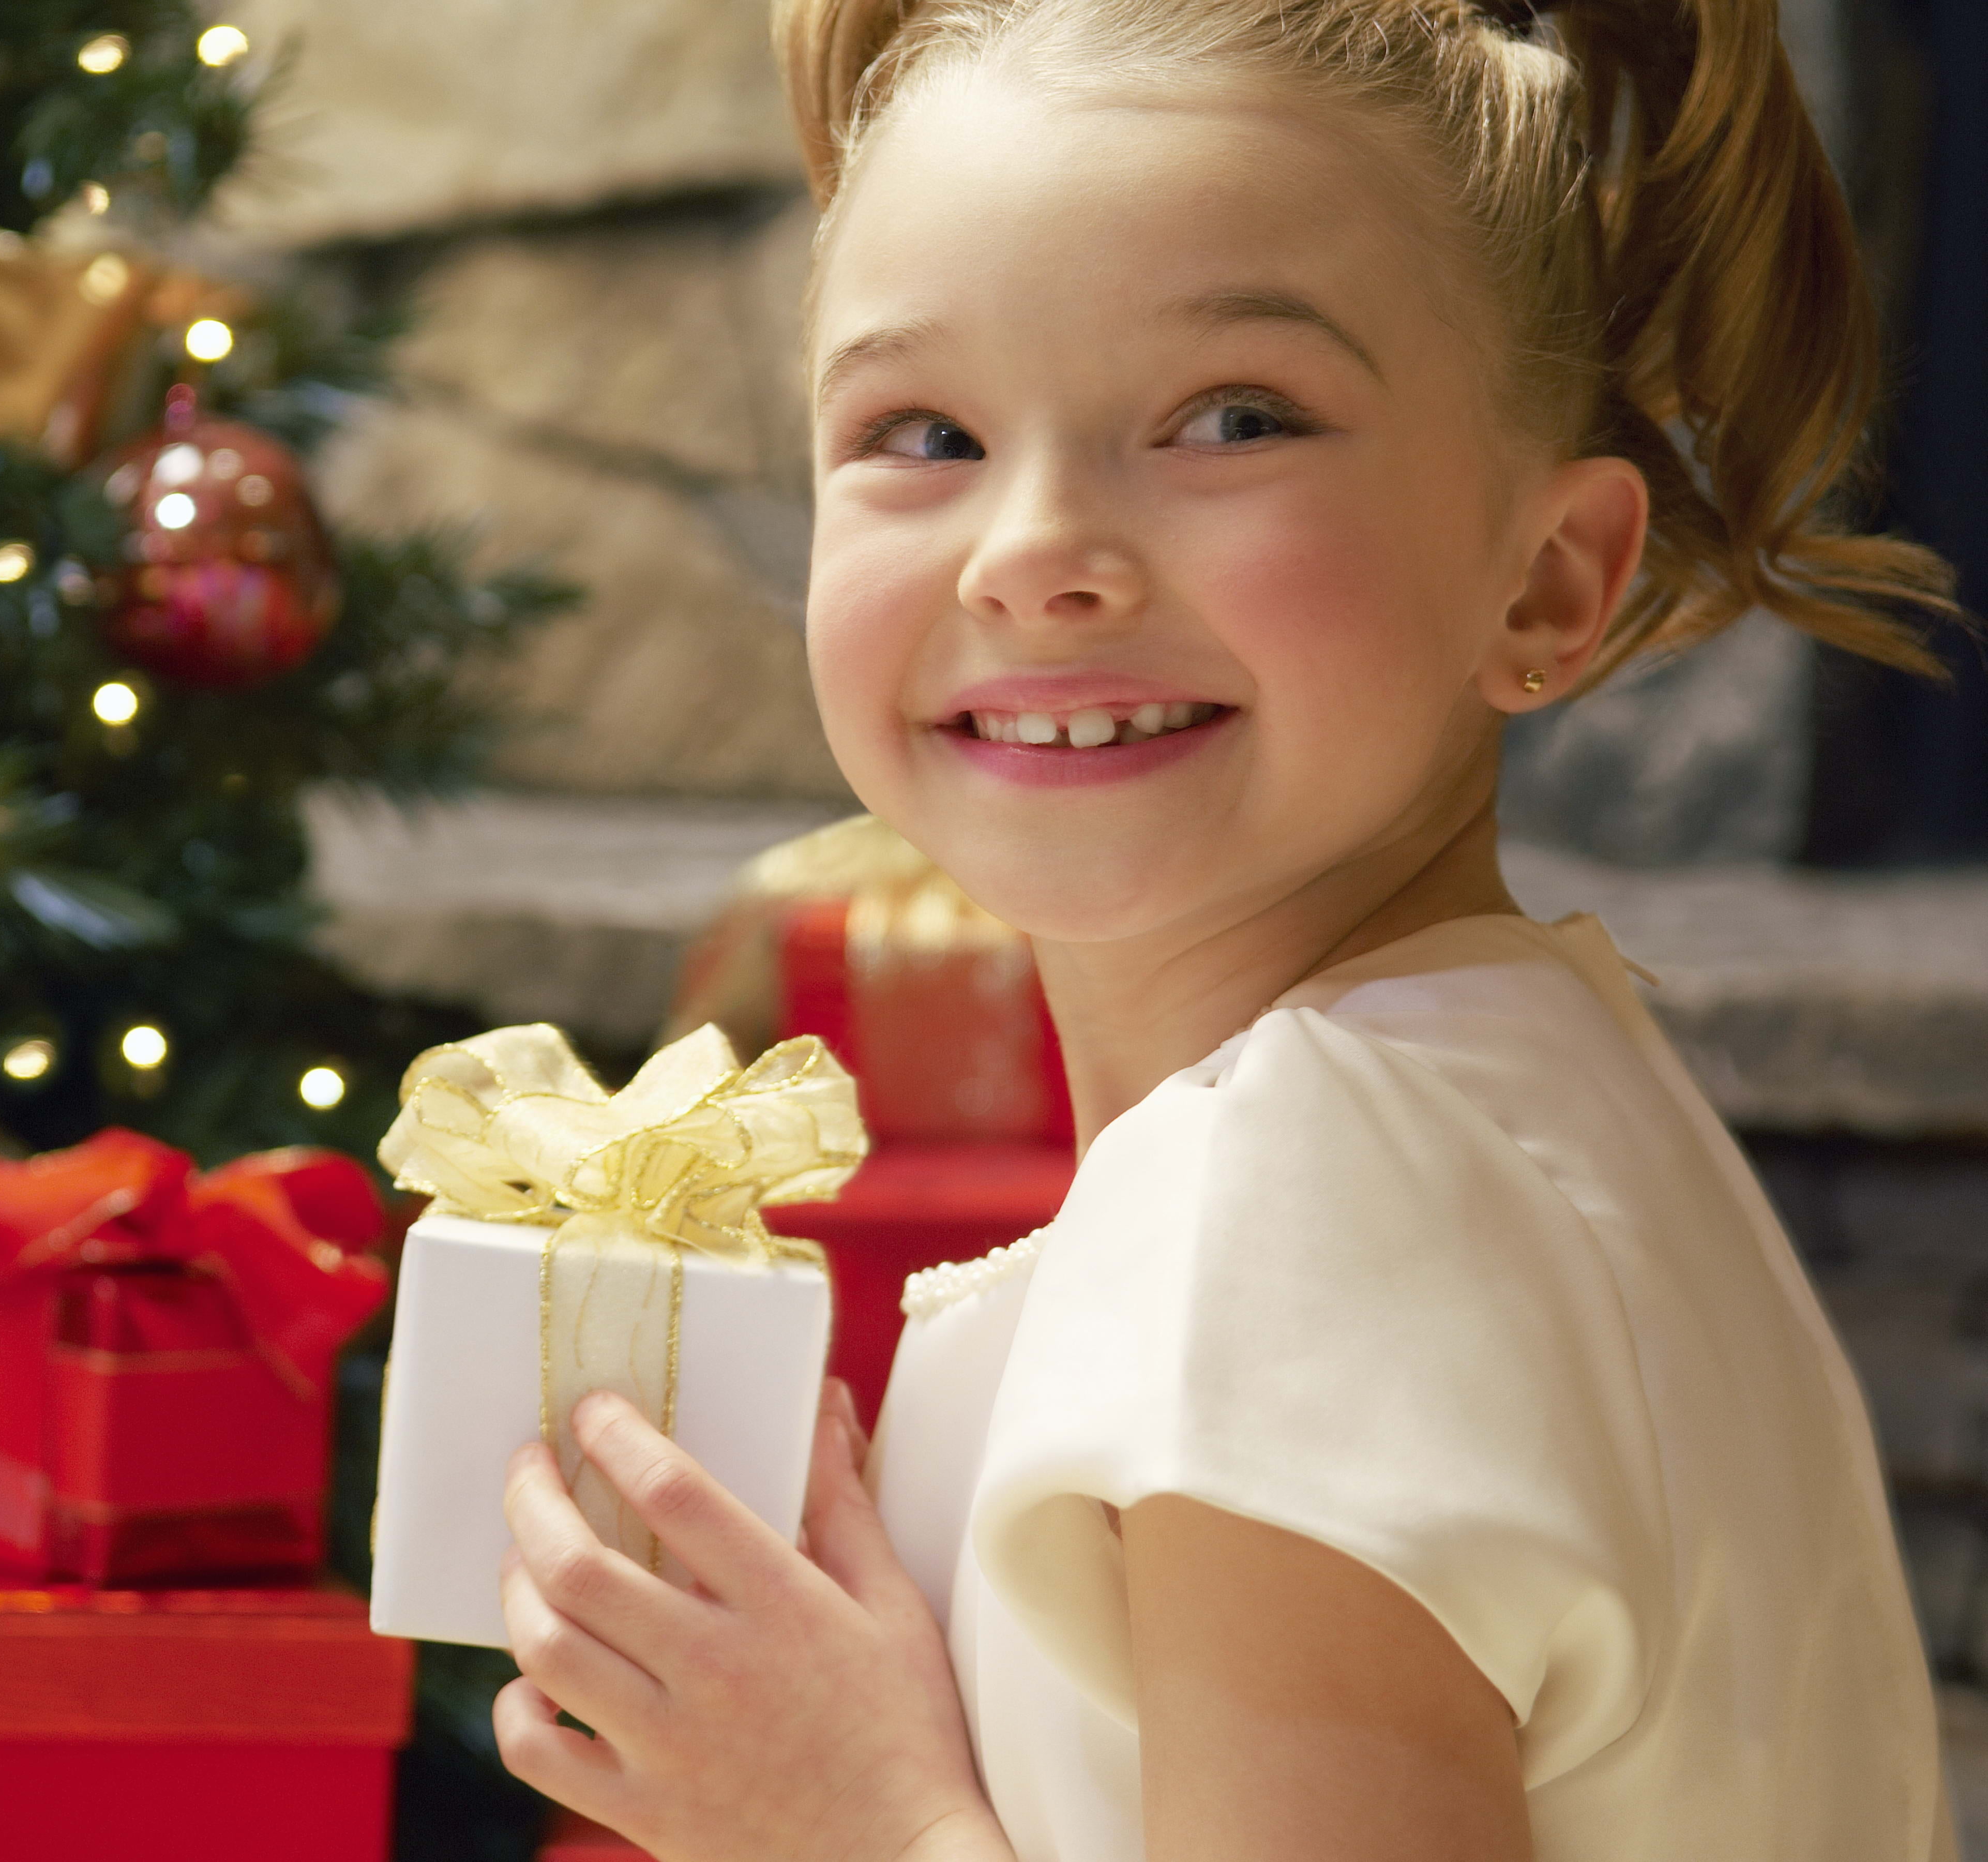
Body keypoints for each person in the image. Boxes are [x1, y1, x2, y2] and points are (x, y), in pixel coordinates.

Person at [483, 1, 1964, 1857]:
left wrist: (844, 1819)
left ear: (1550, 577)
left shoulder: (1301, 1198)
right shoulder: (1510, 1093)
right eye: (921, 431)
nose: (1032, 549)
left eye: (1230, 421)